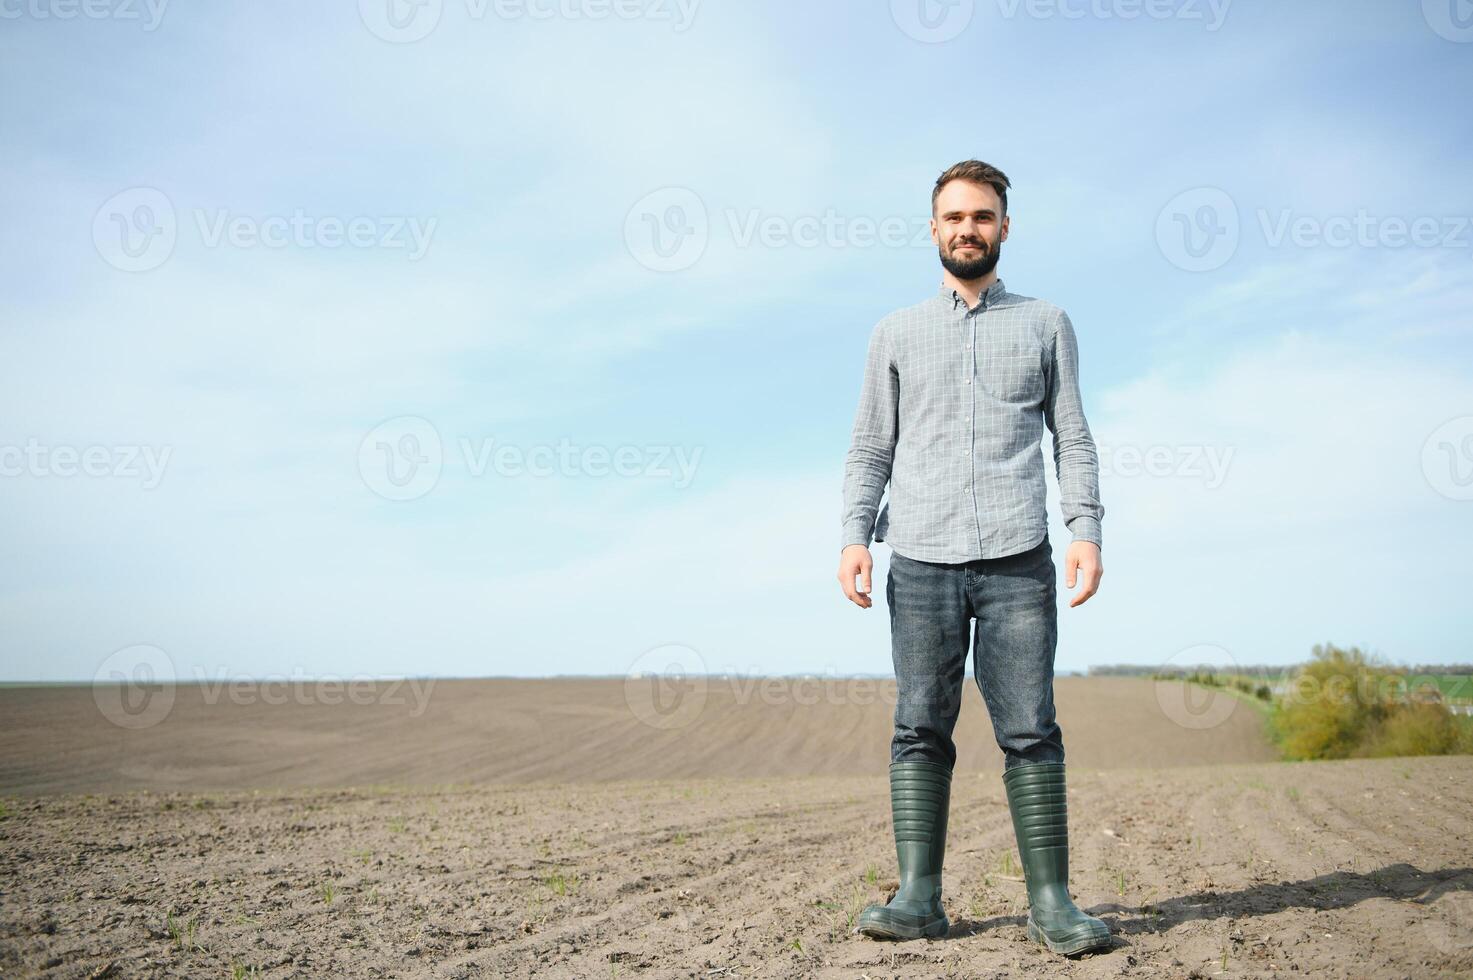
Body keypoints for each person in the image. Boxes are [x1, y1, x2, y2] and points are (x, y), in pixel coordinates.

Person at [837, 160, 1111, 956]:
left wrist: (1085, 529)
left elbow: (1075, 437)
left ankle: (1052, 904)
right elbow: (867, 448)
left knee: (1029, 729)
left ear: (1003, 227)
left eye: (982, 217)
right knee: (919, 726)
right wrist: (854, 536)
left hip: (1017, 562)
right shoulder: (893, 332)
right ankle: (919, 898)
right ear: (932, 229)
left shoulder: (1045, 323)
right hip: (918, 562)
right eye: (954, 217)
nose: (968, 229)